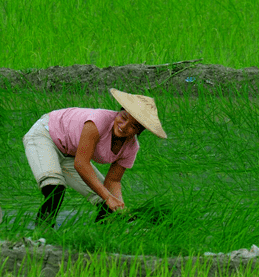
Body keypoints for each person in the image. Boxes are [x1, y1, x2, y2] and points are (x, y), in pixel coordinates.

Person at [22, 88, 167, 227]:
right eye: (123, 117)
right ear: (119, 112)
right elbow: (81, 164)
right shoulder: (98, 121)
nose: (124, 126)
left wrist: (119, 207)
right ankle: (41, 236)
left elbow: (113, 180)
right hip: (45, 135)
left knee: (106, 203)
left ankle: (104, 236)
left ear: (139, 132)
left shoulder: (131, 148)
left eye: (133, 126)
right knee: (54, 188)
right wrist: (109, 197)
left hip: (71, 153)